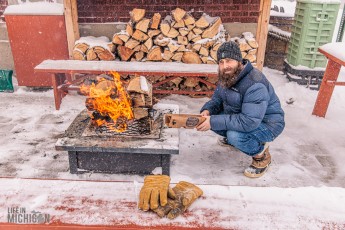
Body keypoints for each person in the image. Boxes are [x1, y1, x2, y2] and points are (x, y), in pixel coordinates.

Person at [196, 41, 285, 178]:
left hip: (268, 124)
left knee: (233, 135)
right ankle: (235, 139)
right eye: (221, 62)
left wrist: (213, 121)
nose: (225, 66)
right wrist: (207, 111)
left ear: (238, 60)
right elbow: (217, 99)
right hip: (245, 116)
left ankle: (261, 156)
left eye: (229, 61)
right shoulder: (227, 75)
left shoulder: (254, 83)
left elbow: (249, 121)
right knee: (211, 120)